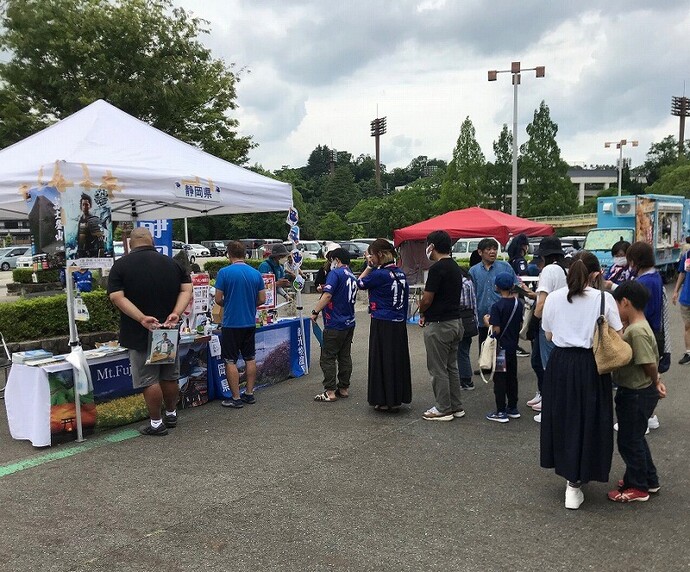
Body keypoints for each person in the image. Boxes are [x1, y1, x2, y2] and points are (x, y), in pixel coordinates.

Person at [540, 251, 624, 510]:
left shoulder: (554, 298)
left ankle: (571, 481)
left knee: (564, 419)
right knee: (590, 419)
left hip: (561, 364)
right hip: (592, 365)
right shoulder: (604, 298)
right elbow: (618, 334)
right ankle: (579, 478)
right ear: (596, 273)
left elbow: (550, 335)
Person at [107, 227, 192, 436]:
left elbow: (116, 297)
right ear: (151, 240)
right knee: (169, 376)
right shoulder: (172, 263)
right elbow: (187, 289)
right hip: (169, 330)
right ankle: (171, 414)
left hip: (139, 332)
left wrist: (142, 318)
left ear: (130, 243)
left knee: (149, 379)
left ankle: (156, 423)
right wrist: (176, 313)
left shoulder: (120, 266)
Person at [609, 281, 666, 502]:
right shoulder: (638, 327)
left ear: (626, 302)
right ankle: (648, 479)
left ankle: (638, 486)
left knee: (629, 441)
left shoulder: (637, 331)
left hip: (636, 392)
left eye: (617, 306)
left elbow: (648, 362)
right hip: (637, 391)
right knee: (636, 438)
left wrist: (656, 380)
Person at [357, 239, 411, 412]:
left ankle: (383, 399)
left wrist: (369, 266)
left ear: (379, 255)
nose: (370, 258)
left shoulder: (379, 275)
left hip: (382, 321)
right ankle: (396, 397)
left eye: (371, 255)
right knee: (396, 360)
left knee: (382, 361)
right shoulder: (400, 273)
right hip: (398, 322)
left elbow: (360, 283)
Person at [214, 241, 267, 408]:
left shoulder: (224, 272)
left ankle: (235, 397)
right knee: (250, 357)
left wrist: (228, 303)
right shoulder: (255, 273)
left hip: (231, 323)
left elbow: (217, 299)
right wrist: (249, 304)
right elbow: (262, 299)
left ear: (228, 254)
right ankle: (249, 393)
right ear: (245, 253)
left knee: (230, 360)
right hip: (249, 322)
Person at [419, 230, 464, 421]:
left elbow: (428, 299)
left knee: (437, 368)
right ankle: (456, 406)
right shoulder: (455, 266)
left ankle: (443, 408)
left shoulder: (437, 269)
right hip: (456, 322)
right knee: (451, 367)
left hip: (439, 324)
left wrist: (421, 309)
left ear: (432, 246)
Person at [626, 241, 667, 431]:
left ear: (636, 260)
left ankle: (645, 418)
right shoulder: (654, 276)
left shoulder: (644, 282)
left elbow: (640, 310)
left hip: (645, 332)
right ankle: (650, 416)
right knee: (649, 373)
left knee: (643, 376)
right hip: (654, 332)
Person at [311, 248, 357, 402]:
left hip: (334, 322)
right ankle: (343, 388)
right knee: (344, 356)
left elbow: (328, 295)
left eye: (332, 260)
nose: (331, 263)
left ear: (337, 259)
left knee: (328, 356)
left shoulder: (335, 273)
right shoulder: (351, 275)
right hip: (349, 321)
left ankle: (330, 391)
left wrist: (315, 311)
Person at [530, 236, 568, 422]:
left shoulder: (549, 270)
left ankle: (550, 407)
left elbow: (542, 303)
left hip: (547, 324)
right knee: (539, 362)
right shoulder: (562, 270)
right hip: (560, 323)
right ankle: (546, 398)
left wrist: (532, 322)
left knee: (547, 366)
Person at [469, 238, 521, 360]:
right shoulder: (474, 271)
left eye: (494, 249)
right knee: (484, 340)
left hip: (503, 312)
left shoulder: (505, 267)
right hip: (483, 313)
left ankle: (503, 369)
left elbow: (516, 286)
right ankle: (486, 364)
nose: (492, 252)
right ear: (480, 252)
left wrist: (513, 305)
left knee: (503, 341)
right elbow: (472, 293)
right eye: (488, 249)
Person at [484, 272, 523, 423]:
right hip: (513, 346)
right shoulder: (517, 304)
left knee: (500, 379)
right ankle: (513, 407)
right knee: (512, 377)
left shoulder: (497, 306)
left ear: (497, 287)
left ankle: (500, 411)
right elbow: (519, 324)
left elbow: (496, 330)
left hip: (501, 349)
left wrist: (487, 322)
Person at [457, 264, 479, 390]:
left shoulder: (461, 283)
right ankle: (465, 378)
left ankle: (465, 380)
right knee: (464, 350)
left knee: (461, 351)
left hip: (462, 320)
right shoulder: (469, 282)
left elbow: (462, 302)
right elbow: (473, 304)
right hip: (470, 319)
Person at [672, 244, 690, 365]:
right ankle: (688, 352)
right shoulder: (687, 255)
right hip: (687, 297)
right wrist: (675, 291)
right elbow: (682, 273)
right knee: (688, 326)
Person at [77, 193, 104, 258]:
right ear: (81, 206)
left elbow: (100, 238)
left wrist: (100, 254)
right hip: (82, 254)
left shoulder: (94, 219)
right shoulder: (80, 220)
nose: (84, 207)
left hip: (92, 253)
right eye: (83, 204)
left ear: (90, 205)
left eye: (86, 204)